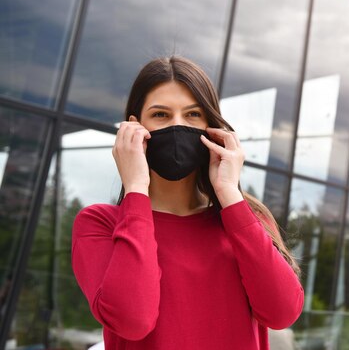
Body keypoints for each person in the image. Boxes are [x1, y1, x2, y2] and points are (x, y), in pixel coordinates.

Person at [71, 56, 304, 349]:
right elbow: (133, 319)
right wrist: (136, 188)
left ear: (212, 126)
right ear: (134, 127)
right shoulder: (100, 223)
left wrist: (229, 193)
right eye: (161, 115)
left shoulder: (246, 219)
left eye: (193, 115)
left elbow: (282, 312)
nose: (177, 126)